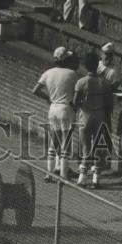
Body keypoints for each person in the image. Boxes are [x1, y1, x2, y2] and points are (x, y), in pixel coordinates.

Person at [32, 47, 78, 182]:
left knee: (54, 142)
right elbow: (77, 93)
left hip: (53, 109)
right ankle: (63, 175)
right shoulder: (72, 74)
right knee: (66, 143)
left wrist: (48, 98)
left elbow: (35, 90)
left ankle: (49, 173)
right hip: (66, 109)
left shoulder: (47, 73)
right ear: (67, 59)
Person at [73, 50, 108, 188]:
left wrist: (83, 105)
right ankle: (96, 179)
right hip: (100, 116)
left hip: (85, 116)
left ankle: (82, 178)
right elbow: (108, 102)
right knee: (98, 146)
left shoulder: (81, 82)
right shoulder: (104, 83)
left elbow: (75, 101)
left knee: (86, 147)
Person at [97, 43, 122, 170]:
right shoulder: (97, 65)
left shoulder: (115, 69)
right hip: (94, 103)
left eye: (110, 55)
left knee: (105, 131)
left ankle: (105, 161)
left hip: (106, 104)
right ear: (102, 54)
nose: (107, 57)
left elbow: (115, 85)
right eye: (105, 54)